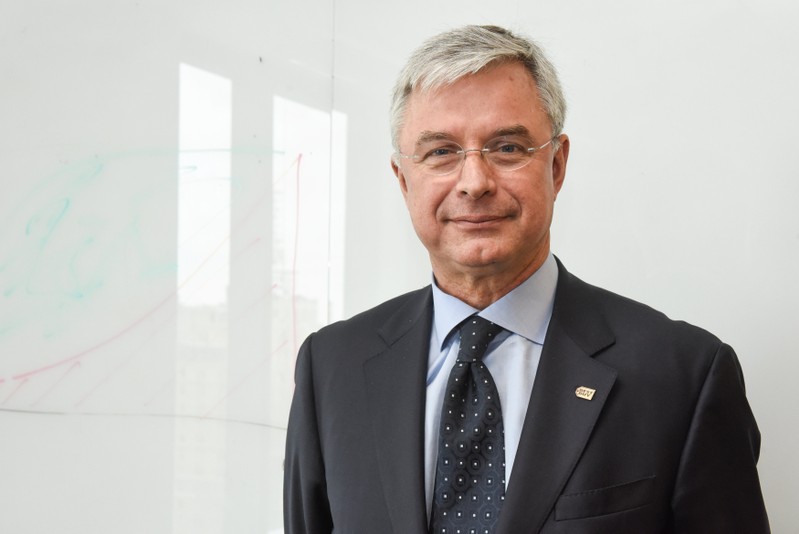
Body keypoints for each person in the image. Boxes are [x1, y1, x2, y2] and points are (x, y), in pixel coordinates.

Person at [283, 24, 770, 533]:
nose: (474, 182)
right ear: (404, 179)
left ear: (556, 166)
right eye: (441, 152)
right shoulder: (331, 370)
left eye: (507, 148)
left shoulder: (683, 376)